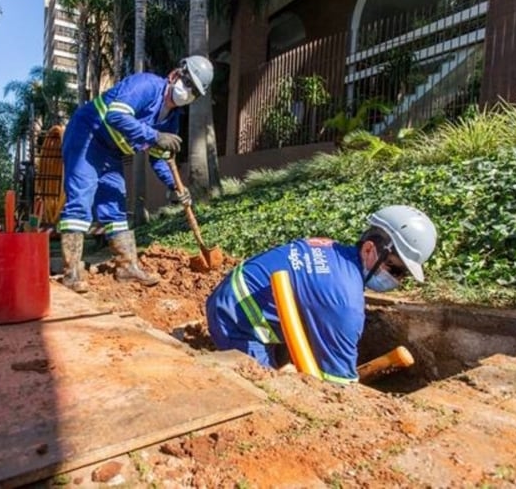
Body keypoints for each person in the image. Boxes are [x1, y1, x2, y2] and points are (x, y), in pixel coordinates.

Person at [205, 205, 437, 384]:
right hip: (236, 319)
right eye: (395, 269)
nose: (397, 279)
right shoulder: (345, 304)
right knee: (268, 390)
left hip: (240, 295)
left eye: (403, 274)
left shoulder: (332, 249)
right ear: (368, 249)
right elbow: (337, 384)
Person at [57, 55, 214, 293]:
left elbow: (160, 159)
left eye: (195, 92)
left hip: (111, 152)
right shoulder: (146, 85)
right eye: (188, 83)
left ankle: (127, 268)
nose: (188, 92)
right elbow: (116, 116)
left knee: (116, 206)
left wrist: (176, 187)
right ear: (174, 75)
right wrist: (155, 136)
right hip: (87, 136)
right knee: (81, 199)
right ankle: (72, 273)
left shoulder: (172, 120)